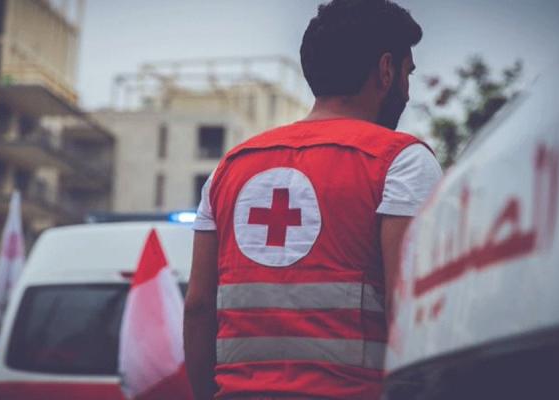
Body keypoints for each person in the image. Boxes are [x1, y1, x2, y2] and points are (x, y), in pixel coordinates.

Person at [184, 1, 442, 398]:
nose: (406, 90)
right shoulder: (402, 162)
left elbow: (199, 307)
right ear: (386, 70)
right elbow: (409, 309)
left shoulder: (230, 167)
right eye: (408, 73)